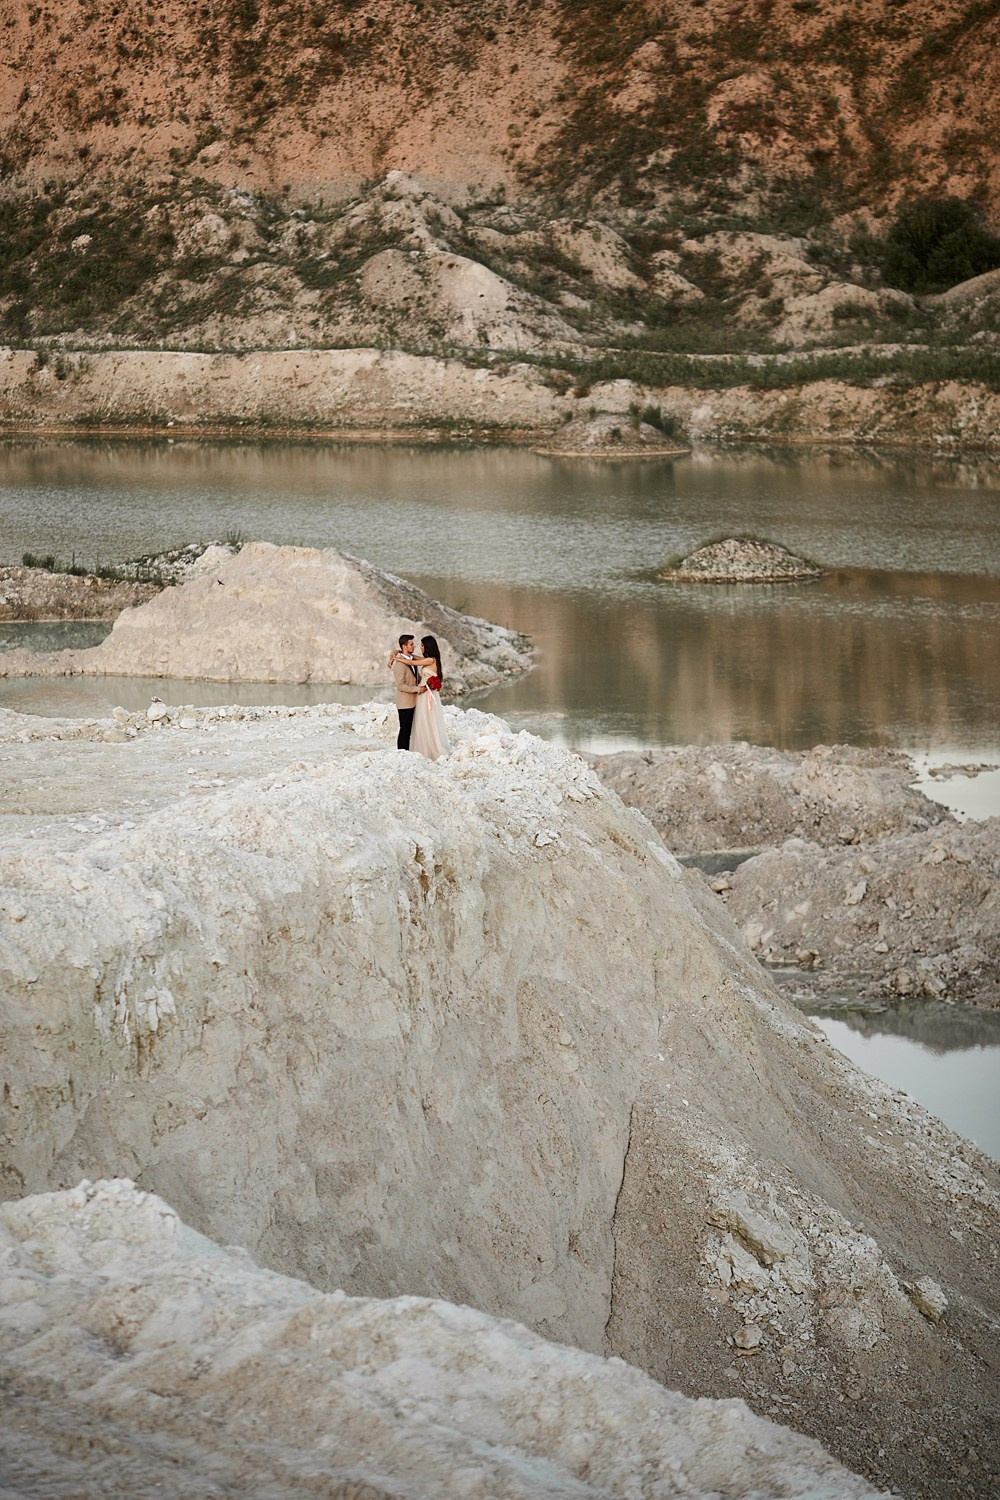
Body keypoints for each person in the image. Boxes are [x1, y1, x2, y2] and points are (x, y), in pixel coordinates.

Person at [390, 634, 450, 761]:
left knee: (425, 721)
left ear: (427, 647)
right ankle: (408, 752)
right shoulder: (427, 659)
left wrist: (397, 658)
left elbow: (411, 661)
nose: (418, 647)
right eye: (413, 644)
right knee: (416, 724)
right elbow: (412, 658)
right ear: (405, 646)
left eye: (421, 645)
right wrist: (397, 653)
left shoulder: (430, 660)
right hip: (419, 695)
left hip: (424, 694)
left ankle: (428, 747)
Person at [389, 633, 422, 750]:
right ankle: (402, 753)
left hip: (414, 701)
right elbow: (401, 686)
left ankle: (410, 751)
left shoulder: (412, 660)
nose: (414, 646)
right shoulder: (399, 665)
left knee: (411, 729)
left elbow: (417, 678)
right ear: (404, 646)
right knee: (405, 730)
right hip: (405, 703)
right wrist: (418, 689)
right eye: (411, 644)